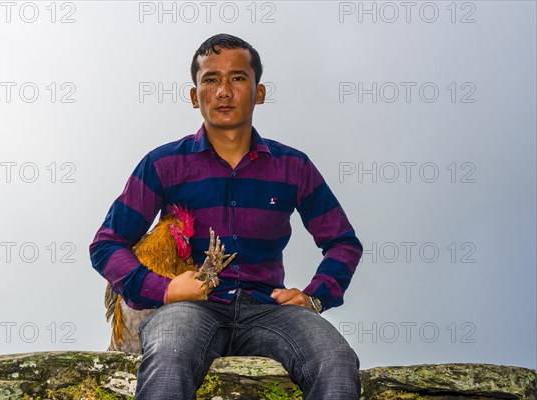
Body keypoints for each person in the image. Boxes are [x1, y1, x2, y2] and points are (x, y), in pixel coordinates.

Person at [89, 33, 363, 399]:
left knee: (336, 360)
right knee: (169, 356)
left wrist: (315, 297)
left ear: (259, 92)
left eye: (237, 78)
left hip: (269, 311)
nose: (223, 91)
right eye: (210, 80)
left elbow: (343, 242)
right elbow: (106, 244)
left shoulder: (293, 166)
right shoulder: (164, 164)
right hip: (191, 310)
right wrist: (165, 289)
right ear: (194, 95)